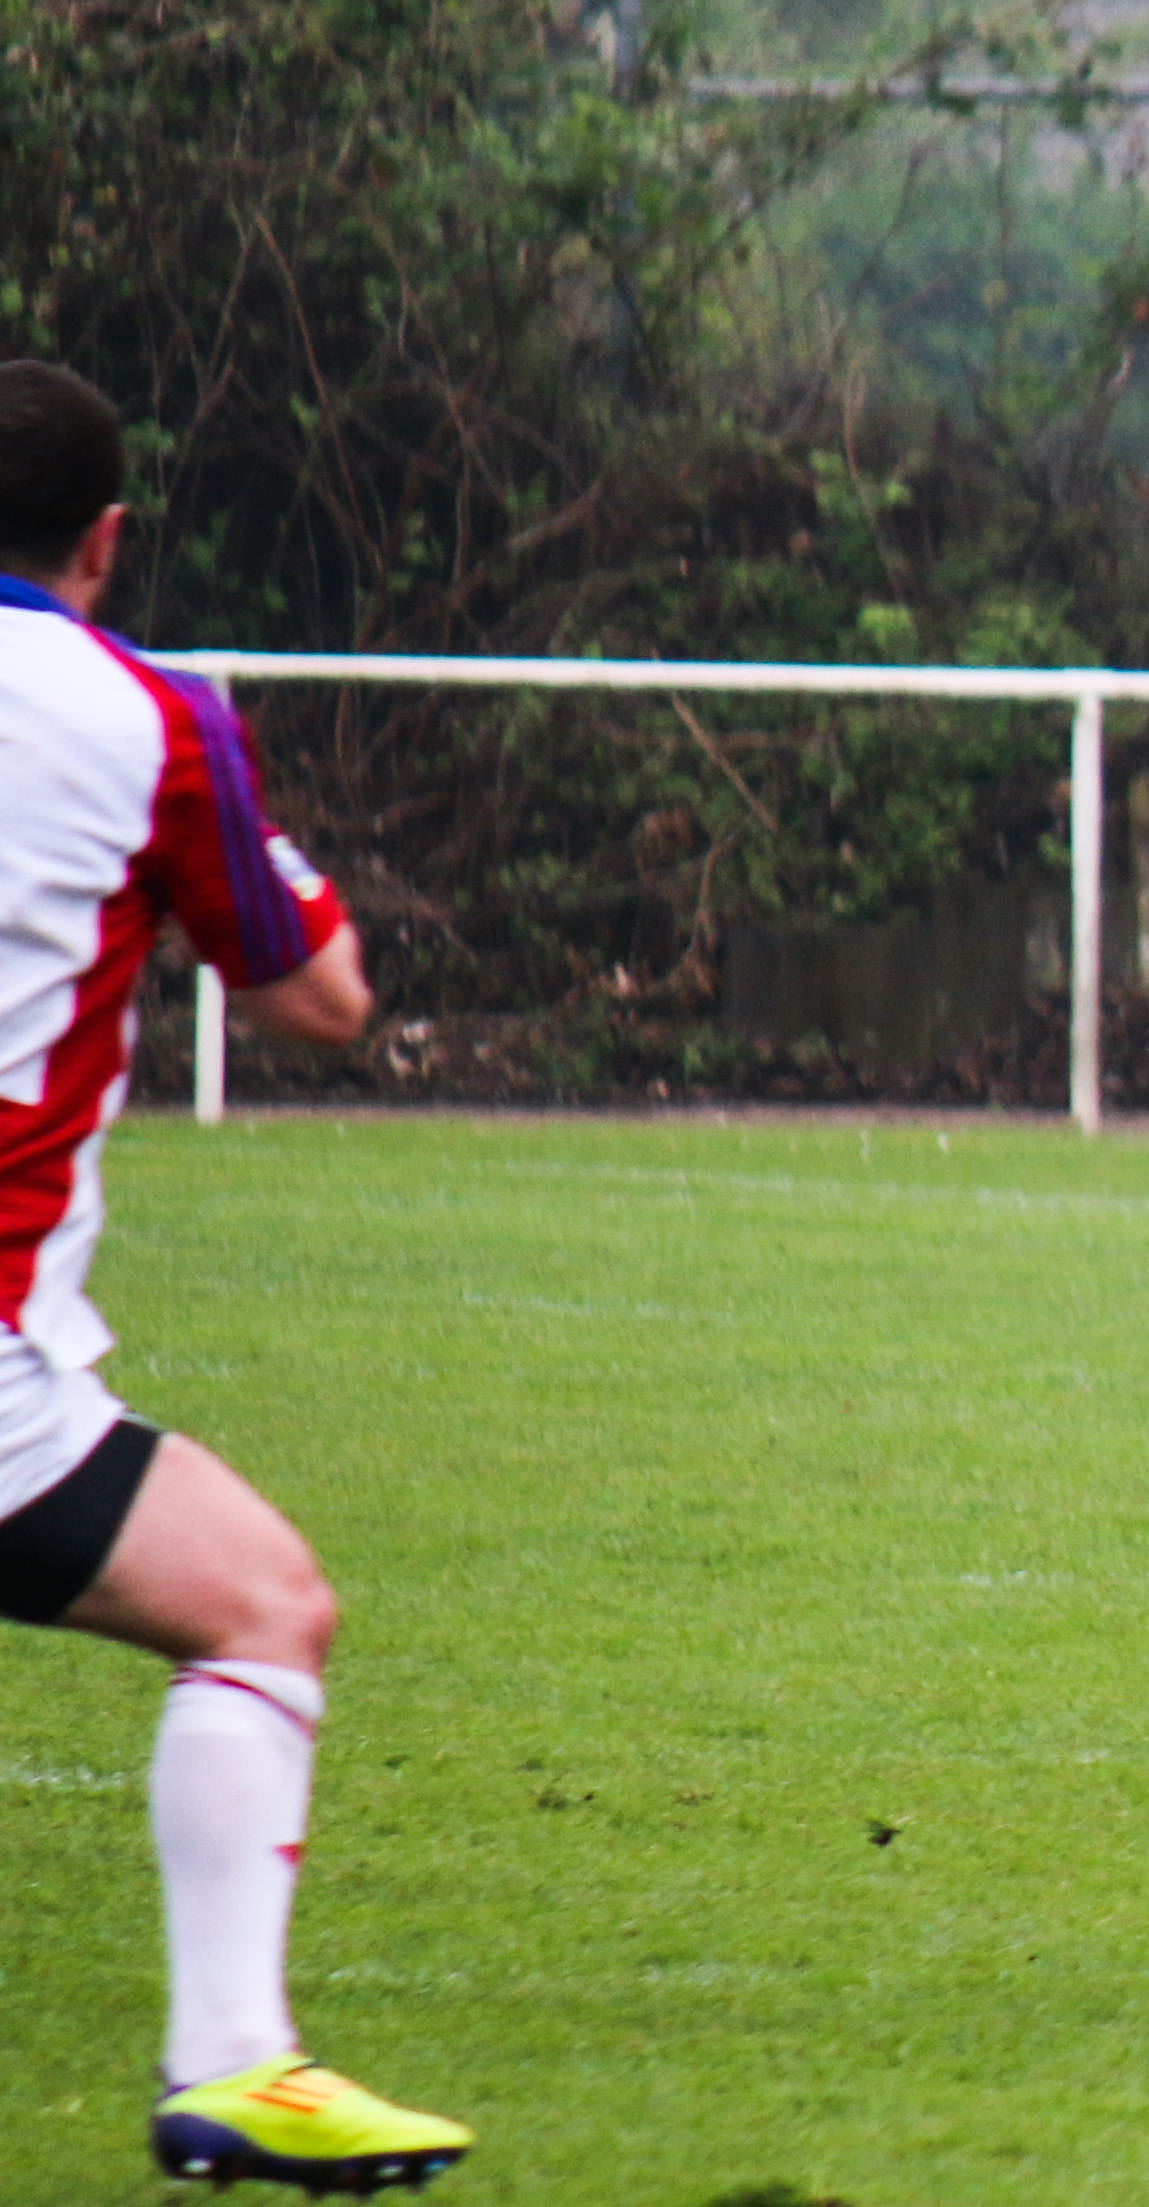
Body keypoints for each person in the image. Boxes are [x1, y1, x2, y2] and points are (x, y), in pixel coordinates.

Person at [0, 361, 474, 2193]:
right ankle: (230, 2061)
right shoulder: (153, 722)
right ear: (107, 538)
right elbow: (318, 994)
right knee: (266, 1609)